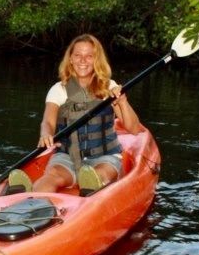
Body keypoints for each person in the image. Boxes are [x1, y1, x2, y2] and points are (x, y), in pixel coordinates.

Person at [8, 34, 141, 195]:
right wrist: (46, 134)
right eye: (78, 55)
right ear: (70, 59)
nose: (83, 61)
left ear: (96, 59)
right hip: (67, 157)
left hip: (104, 157)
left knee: (99, 176)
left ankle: (91, 190)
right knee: (51, 177)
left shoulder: (109, 87)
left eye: (89, 56)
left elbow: (134, 129)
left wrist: (123, 101)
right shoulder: (58, 90)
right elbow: (47, 122)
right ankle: (30, 201)